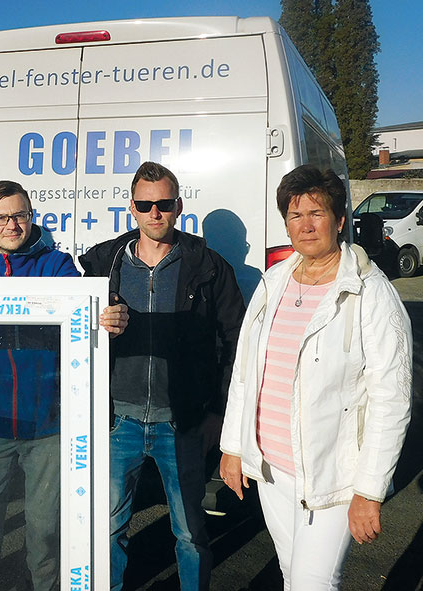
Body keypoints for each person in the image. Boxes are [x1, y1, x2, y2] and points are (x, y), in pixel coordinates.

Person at [219, 165, 412, 590]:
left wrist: (370, 489)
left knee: (312, 582)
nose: (305, 225)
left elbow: (391, 399)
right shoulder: (274, 281)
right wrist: (234, 446)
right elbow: (245, 372)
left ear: (340, 220)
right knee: (294, 575)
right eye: (294, 215)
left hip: (333, 476)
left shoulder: (370, 292)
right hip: (272, 469)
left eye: (316, 213)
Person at [0, 180, 127, 591]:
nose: (12, 225)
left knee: (47, 529)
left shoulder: (56, 265)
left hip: (48, 424)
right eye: (1, 217)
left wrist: (106, 319)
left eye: (20, 215)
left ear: (31, 216)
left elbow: (89, 312)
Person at [80, 161, 245, 591]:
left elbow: (236, 344)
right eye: (145, 204)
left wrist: (217, 414)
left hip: (183, 423)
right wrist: (94, 322)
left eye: (164, 204)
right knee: (107, 528)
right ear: (131, 208)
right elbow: (74, 330)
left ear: (178, 206)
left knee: (190, 533)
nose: (155, 213)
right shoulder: (102, 264)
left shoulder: (208, 267)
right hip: (119, 421)